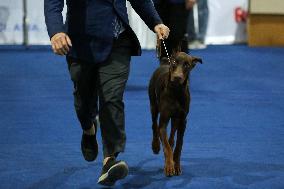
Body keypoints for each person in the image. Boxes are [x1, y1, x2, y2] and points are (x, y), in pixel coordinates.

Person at [44, 0, 169, 186]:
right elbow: (52, 3)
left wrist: (155, 21)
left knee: (112, 99)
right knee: (83, 102)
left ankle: (110, 160)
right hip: (80, 42)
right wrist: (56, 31)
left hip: (118, 40)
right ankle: (88, 128)